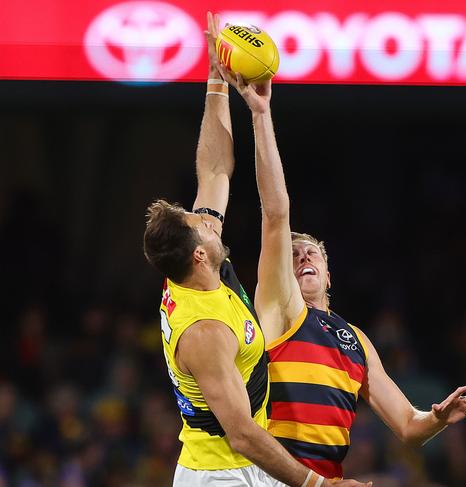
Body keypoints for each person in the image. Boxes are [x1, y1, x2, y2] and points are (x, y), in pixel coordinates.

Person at [219, 68, 466, 481]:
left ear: (329, 277)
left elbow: (409, 427)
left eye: (312, 253)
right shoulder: (281, 308)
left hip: (329, 480)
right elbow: (275, 213)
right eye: (293, 254)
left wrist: (438, 418)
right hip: (270, 478)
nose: (302, 256)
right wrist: (260, 114)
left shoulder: (356, 341)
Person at [143, 13, 368, 487]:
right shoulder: (205, 332)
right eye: (200, 227)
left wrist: (215, 81)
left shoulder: (194, 269)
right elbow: (242, 434)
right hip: (221, 475)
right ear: (199, 255)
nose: (209, 222)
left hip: (245, 467)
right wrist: (317, 484)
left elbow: (215, 172)